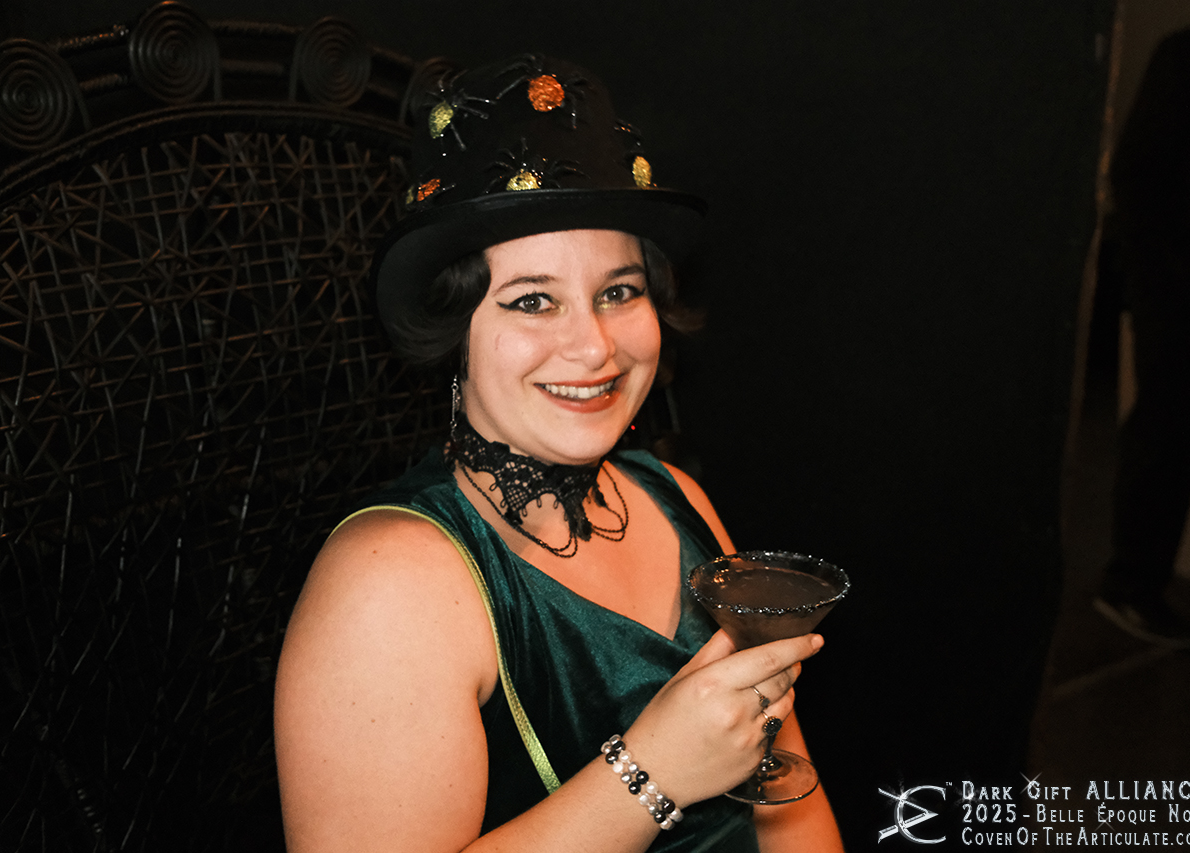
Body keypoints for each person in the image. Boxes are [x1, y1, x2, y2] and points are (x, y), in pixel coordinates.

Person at [274, 54, 844, 852]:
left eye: (619, 291)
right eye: (534, 300)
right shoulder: (391, 583)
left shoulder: (675, 495)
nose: (595, 345)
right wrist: (650, 772)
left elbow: (790, 806)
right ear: (453, 330)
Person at [1095, 21, 1190, 649]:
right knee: (1166, 434)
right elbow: (1138, 177)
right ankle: (1132, 585)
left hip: (1181, 283)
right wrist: (1165, 286)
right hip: (1182, 294)